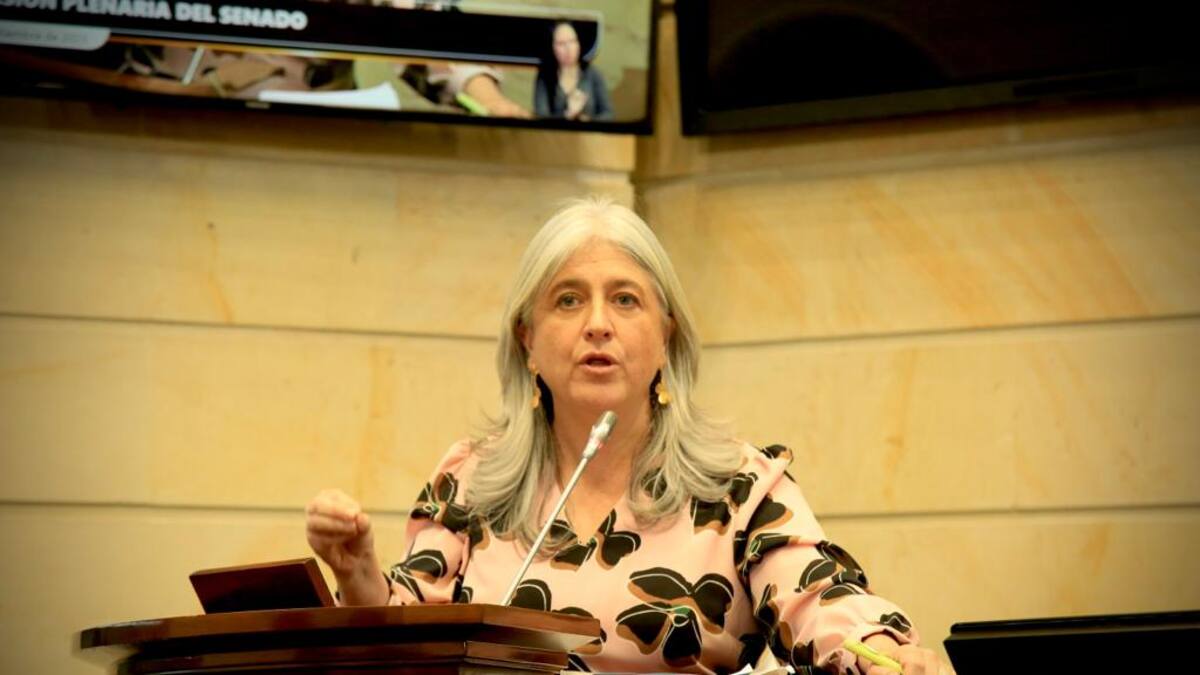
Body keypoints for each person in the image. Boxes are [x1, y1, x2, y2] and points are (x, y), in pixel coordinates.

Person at [306, 198, 954, 674]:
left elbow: (821, 600)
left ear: (665, 337)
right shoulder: (471, 482)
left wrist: (887, 653)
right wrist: (358, 572)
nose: (597, 324)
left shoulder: (738, 488)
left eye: (625, 299)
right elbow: (404, 637)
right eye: (567, 300)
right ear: (527, 341)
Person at [533, 22, 613, 121]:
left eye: (572, 41)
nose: (568, 48)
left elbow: (608, 114)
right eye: (561, 43)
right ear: (552, 48)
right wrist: (568, 114)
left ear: (579, 44)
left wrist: (587, 121)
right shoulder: (544, 76)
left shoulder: (594, 74)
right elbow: (541, 116)